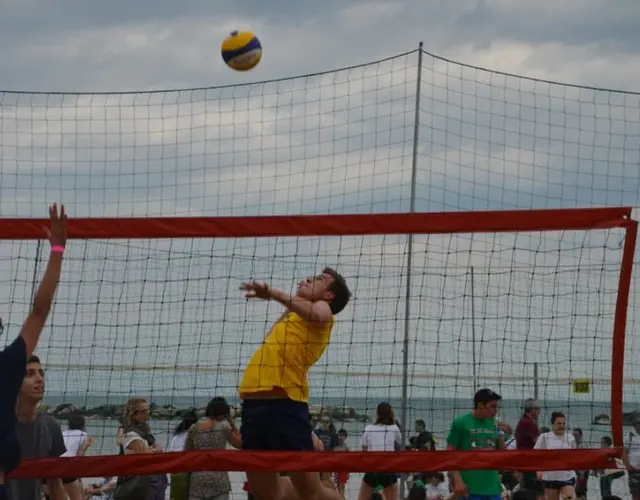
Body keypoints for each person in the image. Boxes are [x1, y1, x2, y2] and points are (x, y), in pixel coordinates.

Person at [238, 268, 351, 500]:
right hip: (252, 403)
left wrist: (274, 293)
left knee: (312, 493)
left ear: (329, 295)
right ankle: (328, 489)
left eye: (319, 279)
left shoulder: (324, 310)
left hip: (285, 403)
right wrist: (292, 299)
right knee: (267, 494)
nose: (309, 278)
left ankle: (329, 492)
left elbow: (317, 315)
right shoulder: (292, 315)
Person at [0, 204, 67, 500]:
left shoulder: (9, 365)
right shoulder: (8, 365)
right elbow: (40, 311)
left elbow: (39, 311)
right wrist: (57, 249)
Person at [447, 388, 504, 500]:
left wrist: (501, 435)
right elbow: (449, 453)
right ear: (480, 405)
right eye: (492, 406)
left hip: (493, 487)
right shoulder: (461, 422)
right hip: (470, 487)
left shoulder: (493, 422)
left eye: (497, 406)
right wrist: (458, 481)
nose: (495, 410)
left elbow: (502, 454)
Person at [357, 402, 402, 500]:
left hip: (373, 470)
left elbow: (363, 452)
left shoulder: (369, 428)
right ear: (391, 413)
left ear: (377, 414)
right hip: (388, 470)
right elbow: (400, 443)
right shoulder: (394, 428)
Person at [533, 412, 576, 500]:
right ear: (552, 424)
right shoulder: (544, 437)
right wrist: (539, 470)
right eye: (559, 423)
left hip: (567, 476)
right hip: (550, 477)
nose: (562, 425)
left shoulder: (570, 437)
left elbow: (574, 456)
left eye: (564, 423)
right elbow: (535, 455)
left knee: (570, 498)